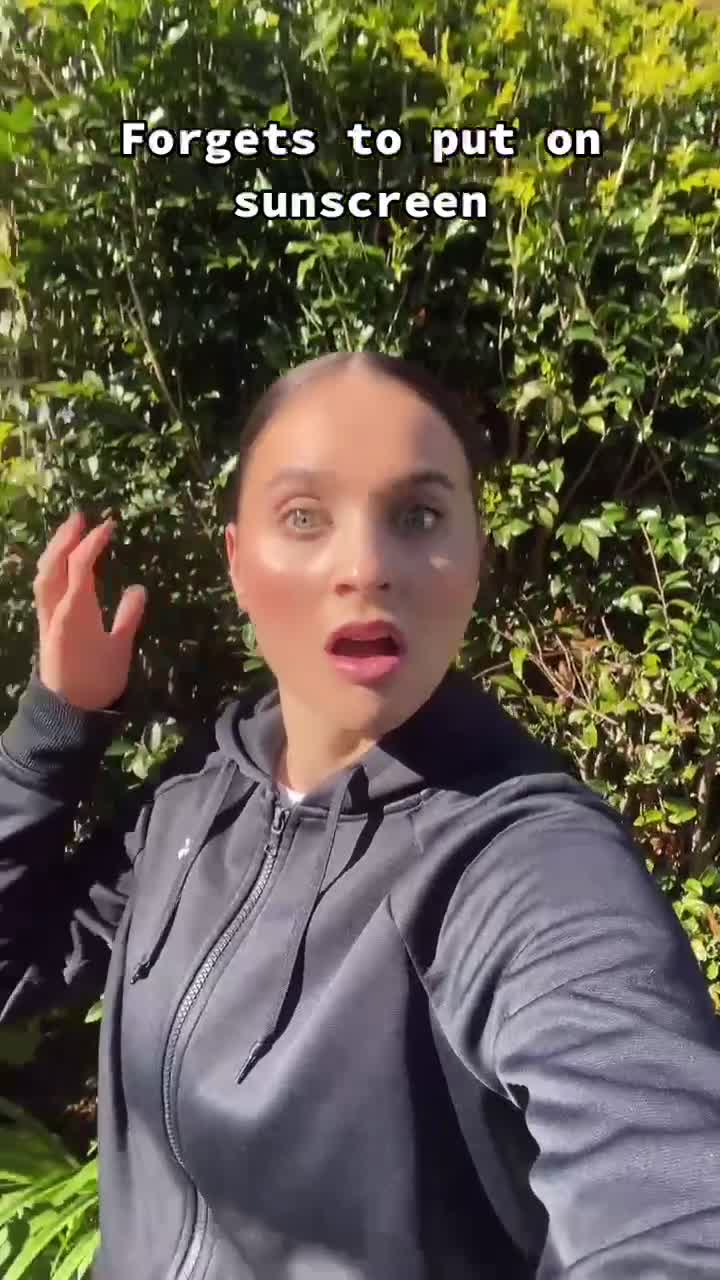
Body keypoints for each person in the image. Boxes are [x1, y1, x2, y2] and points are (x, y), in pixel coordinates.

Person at [0, 351, 719, 1280]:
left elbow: (673, 1203)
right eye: (304, 516)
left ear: (476, 554)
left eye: (418, 516)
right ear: (237, 564)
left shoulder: (521, 861)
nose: (367, 567)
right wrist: (56, 723)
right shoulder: (199, 791)